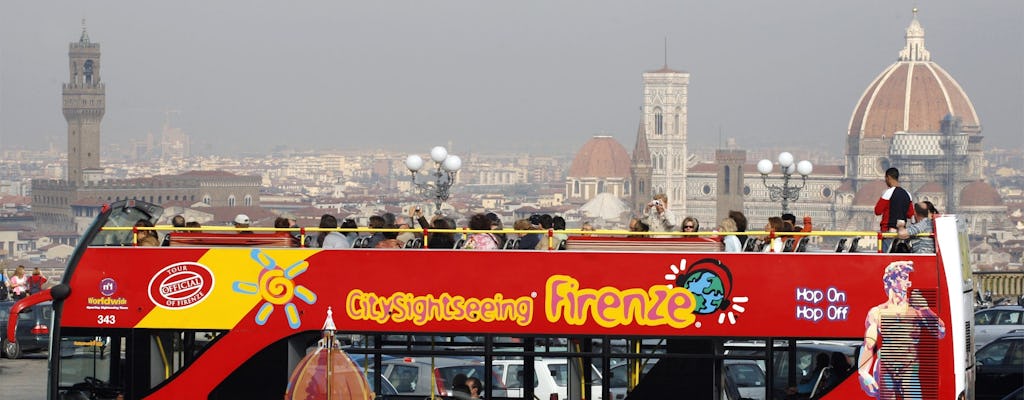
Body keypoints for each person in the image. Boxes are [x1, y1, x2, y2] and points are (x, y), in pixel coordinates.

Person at [858, 261, 945, 398]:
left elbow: (940, 332)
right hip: (886, 368)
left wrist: (926, 310)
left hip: (909, 368)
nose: (908, 282)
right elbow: (869, 345)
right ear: (891, 280)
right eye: (903, 277)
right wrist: (863, 373)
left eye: (907, 278)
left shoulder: (916, 308)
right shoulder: (877, 312)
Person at [874, 167, 914, 251]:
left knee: (885, 257)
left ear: (888, 177)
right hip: (901, 232)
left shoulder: (888, 193)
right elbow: (910, 214)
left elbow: (877, 211)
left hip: (887, 230)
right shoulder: (907, 194)